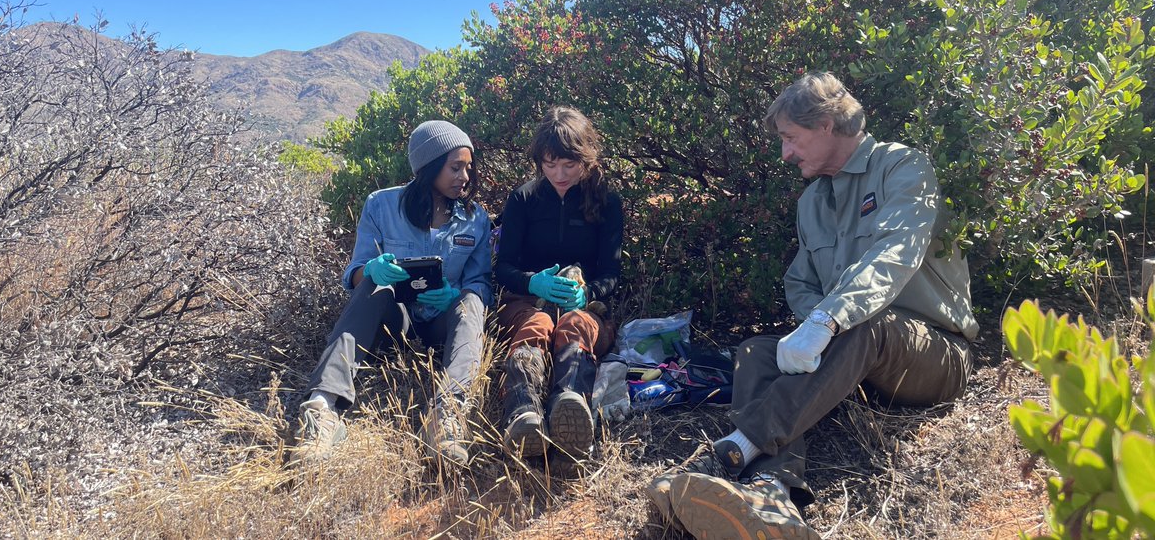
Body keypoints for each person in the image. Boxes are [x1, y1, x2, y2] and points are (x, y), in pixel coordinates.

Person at [647, 72, 979, 538]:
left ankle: (730, 452)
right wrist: (813, 324)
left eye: (790, 138)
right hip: (854, 363)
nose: (785, 153)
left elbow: (895, 254)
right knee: (756, 351)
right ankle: (771, 493)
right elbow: (799, 280)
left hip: (934, 354)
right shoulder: (811, 203)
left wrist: (830, 319)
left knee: (866, 323)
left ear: (826, 124)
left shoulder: (902, 167)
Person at [289, 120, 493, 468]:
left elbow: (481, 283)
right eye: (455, 167)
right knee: (373, 284)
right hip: (394, 326)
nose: (464, 176)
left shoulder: (476, 219)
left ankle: (449, 416)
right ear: (429, 167)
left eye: (468, 168)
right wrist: (370, 270)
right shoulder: (382, 205)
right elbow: (354, 272)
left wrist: (455, 293)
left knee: (471, 301)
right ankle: (323, 410)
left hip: (441, 326)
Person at [495, 106, 624, 460]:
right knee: (537, 324)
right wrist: (533, 282)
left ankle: (570, 405)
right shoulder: (522, 199)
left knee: (574, 325)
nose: (559, 174)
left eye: (569, 164)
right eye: (550, 164)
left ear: (586, 158)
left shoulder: (607, 202)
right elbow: (503, 267)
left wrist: (588, 293)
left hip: (584, 307)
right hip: (526, 301)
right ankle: (522, 413)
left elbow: (611, 274)